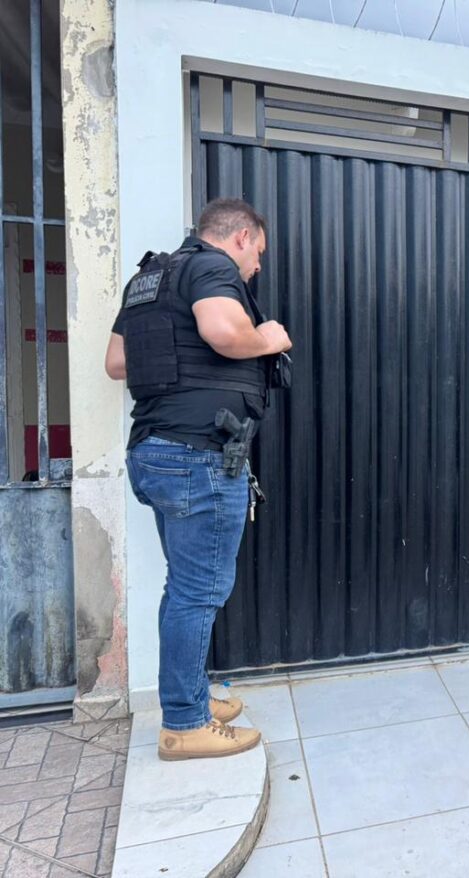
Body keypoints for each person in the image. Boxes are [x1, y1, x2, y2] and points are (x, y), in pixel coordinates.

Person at [104, 198, 292, 759]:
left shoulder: (148, 281)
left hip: (154, 451)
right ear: (240, 237)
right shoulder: (212, 266)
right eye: (258, 252)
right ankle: (185, 725)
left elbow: (117, 362)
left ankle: (188, 696)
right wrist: (270, 337)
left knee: (183, 588)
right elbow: (223, 332)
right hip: (198, 455)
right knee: (198, 592)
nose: (256, 266)